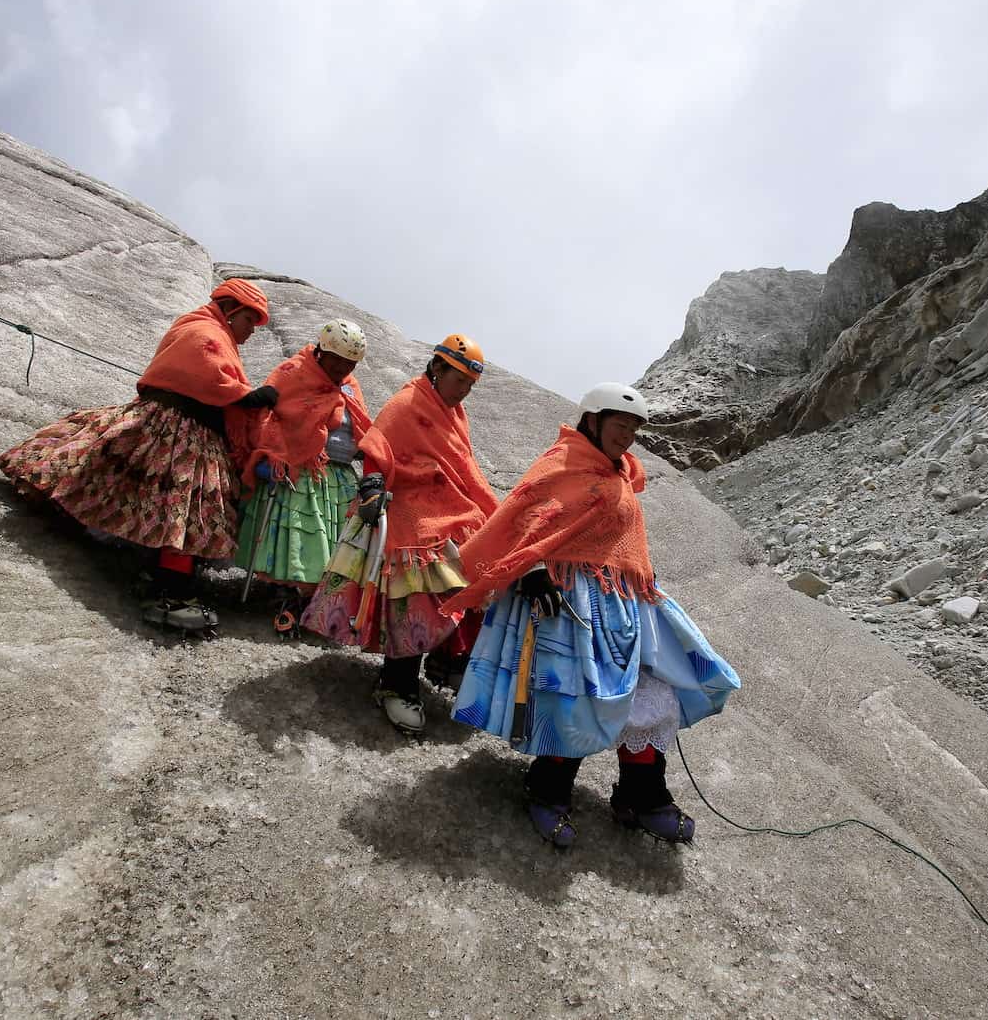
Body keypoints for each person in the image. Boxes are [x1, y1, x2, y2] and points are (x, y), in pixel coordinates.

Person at [445, 381, 739, 848]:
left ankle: (642, 796)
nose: (627, 435)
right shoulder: (561, 465)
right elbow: (524, 518)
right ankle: (547, 793)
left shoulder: (620, 474)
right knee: (574, 701)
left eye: (634, 428)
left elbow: (624, 544)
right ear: (593, 420)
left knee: (651, 692)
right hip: (569, 605)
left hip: (624, 603)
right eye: (620, 424)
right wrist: (533, 569)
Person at [0, 277, 279, 633]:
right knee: (187, 508)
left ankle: (147, 568)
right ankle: (168, 593)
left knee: (159, 497)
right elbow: (206, 376)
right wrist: (248, 397)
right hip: (178, 426)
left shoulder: (211, 332)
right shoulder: (205, 332)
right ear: (231, 310)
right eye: (249, 320)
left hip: (187, 427)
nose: (251, 330)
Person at [301, 334, 499, 735]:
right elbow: (379, 447)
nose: (463, 391)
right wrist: (372, 485)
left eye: (470, 385)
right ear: (437, 367)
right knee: (417, 594)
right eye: (459, 379)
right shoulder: (407, 403)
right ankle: (397, 683)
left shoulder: (455, 414)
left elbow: (463, 466)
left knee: (479, 581)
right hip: (406, 505)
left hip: (449, 506)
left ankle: (448, 664)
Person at [235, 320, 373, 634]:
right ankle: (289, 596)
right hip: (299, 468)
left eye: (349, 363)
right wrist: (275, 452)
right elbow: (268, 419)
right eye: (337, 360)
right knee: (304, 534)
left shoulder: (350, 386)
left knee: (336, 542)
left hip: (340, 475)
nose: (342, 368)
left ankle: (320, 601)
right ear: (322, 351)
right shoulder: (293, 372)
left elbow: (361, 423)